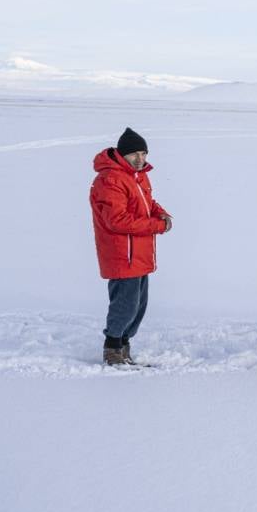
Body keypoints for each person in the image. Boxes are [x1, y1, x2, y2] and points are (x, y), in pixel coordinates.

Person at [89, 127, 172, 365]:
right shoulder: (110, 179)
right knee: (125, 304)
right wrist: (156, 225)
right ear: (121, 155)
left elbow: (147, 202)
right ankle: (113, 348)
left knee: (139, 306)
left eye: (144, 153)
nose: (140, 159)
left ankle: (123, 346)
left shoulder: (138, 175)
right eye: (134, 154)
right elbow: (117, 220)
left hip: (138, 252)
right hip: (122, 253)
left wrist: (162, 214)